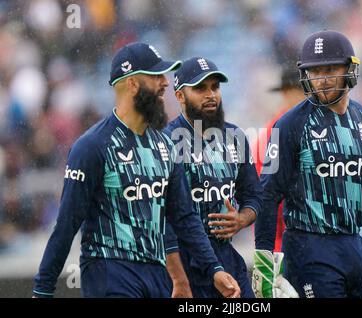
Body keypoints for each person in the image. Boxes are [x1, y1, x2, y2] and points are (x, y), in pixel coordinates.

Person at [33, 43, 240, 298]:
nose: (165, 83)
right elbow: (67, 224)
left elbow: (184, 218)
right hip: (109, 270)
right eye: (156, 77)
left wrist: (214, 269)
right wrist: (43, 289)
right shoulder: (92, 146)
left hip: (157, 274)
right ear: (132, 84)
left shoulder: (165, 144)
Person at [253, 30, 362, 298]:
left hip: (355, 246)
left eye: (330, 70)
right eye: (314, 72)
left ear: (349, 70)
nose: (322, 80)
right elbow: (268, 195)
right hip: (308, 248)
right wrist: (264, 257)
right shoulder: (290, 125)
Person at [164, 57, 263, 298]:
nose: (211, 95)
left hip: (225, 255)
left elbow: (254, 195)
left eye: (215, 87)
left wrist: (241, 219)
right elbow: (161, 217)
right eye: (200, 88)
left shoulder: (235, 136)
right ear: (179, 96)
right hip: (183, 261)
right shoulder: (165, 142)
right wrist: (178, 277)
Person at [252, 66, 306, 253]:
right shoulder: (274, 133)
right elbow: (265, 198)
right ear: (288, 93)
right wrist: (273, 250)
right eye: (303, 90)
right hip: (287, 238)